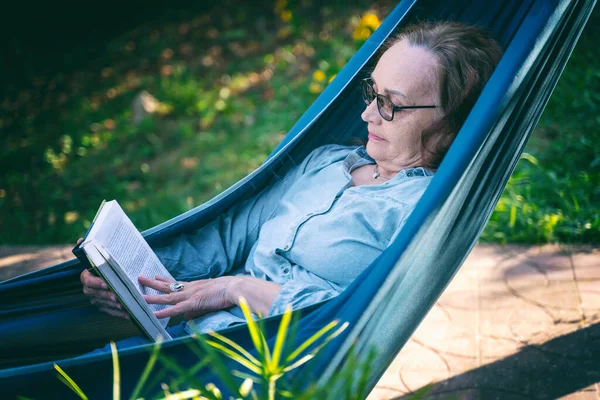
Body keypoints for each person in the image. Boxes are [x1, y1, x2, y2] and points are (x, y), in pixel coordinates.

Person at [80, 21, 502, 341]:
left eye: (392, 105)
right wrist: (130, 278)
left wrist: (238, 289)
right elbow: (227, 239)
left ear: (452, 123)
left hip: (254, 365)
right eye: (372, 93)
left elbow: (350, 320)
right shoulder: (326, 161)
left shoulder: (423, 211)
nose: (368, 114)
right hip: (177, 333)